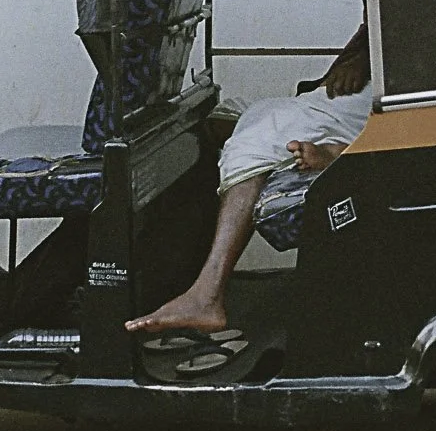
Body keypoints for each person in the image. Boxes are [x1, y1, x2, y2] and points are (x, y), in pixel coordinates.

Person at [126, 22, 372, 336]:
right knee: (225, 119)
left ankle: (206, 296)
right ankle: (182, 269)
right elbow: (374, 27)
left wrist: (364, 61)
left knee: (251, 142)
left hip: (383, 97)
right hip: (360, 87)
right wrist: (357, 58)